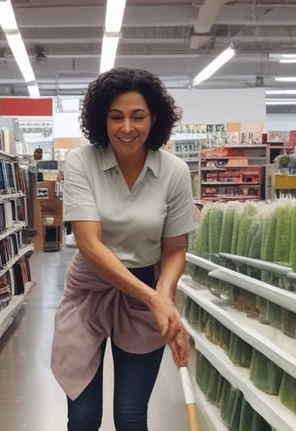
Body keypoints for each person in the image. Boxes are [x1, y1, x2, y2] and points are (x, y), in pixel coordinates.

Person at [50, 67, 198, 431]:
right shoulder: (82, 163)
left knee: (131, 416)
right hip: (89, 290)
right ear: (102, 120)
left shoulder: (175, 172)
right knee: (83, 417)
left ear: (154, 119)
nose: (127, 127)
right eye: (116, 117)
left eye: (138, 116)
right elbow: (89, 243)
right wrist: (156, 300)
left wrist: (163, 294)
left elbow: (176, 246)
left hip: (145, 289)